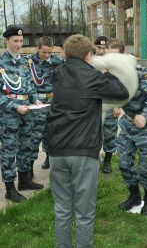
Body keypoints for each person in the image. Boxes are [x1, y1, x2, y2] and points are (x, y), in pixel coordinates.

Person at [46, 34, 129, 248]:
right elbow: (121, 91)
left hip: (56, 151)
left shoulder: (58, 73)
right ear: (89, 54)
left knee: (62, 209)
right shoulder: (92, 75)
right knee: (84, 212)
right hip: (83, 152)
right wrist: (104, 72)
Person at [0, 26, 45, 203]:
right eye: (15, 41)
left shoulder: (25, 62)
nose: (19, 44)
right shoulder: (1, 62)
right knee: (9, 150)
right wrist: (14, 107)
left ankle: (24, 181)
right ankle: (9, 188)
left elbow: (30, 85)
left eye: (21, 41)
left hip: (27, 112)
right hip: (9, 115)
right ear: (6, 41)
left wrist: (35, 100)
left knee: (26, 146)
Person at [117, 63, 147, 216]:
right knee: (123, 162)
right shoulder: (110, 73)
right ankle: (134, 196)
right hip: (128, 123)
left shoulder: (139, 73)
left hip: (146, 125)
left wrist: (145, 115)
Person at [26, 36, 63, 178]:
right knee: (35, 136)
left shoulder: (57, 61)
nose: (47, 55)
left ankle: (49, 158)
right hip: (37, 103)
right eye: (44, 53)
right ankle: (29, 168)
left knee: (51, 133)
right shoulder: (29, 62)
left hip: (53, 102)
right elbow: (27, 83)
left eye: (49, 52)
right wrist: (34, 99)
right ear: (37, 48)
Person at [101, 38, 125, 174]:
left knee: (110, 135)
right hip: (96, 106)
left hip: (111, 106)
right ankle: (95, 161)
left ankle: (107, 161)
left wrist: (118, 105)